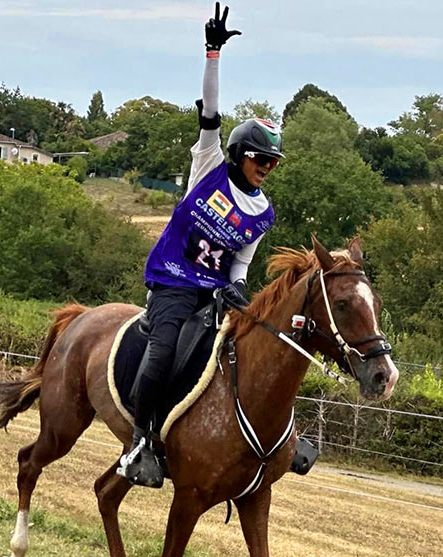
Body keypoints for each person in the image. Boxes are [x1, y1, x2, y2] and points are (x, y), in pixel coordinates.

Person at [117, 3, 285, 488]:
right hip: (172, 281)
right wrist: (212, 53)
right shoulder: (209, 165)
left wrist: (236, 289)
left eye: (273, 162)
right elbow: (210, 112)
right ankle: (140, 441)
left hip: (212, 294)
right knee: (164, 351)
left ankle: (267, 441)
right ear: (238, 154)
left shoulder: (263, 213)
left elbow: (240, 266)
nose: (266, 167)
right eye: (260, 158)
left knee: (252, 356)